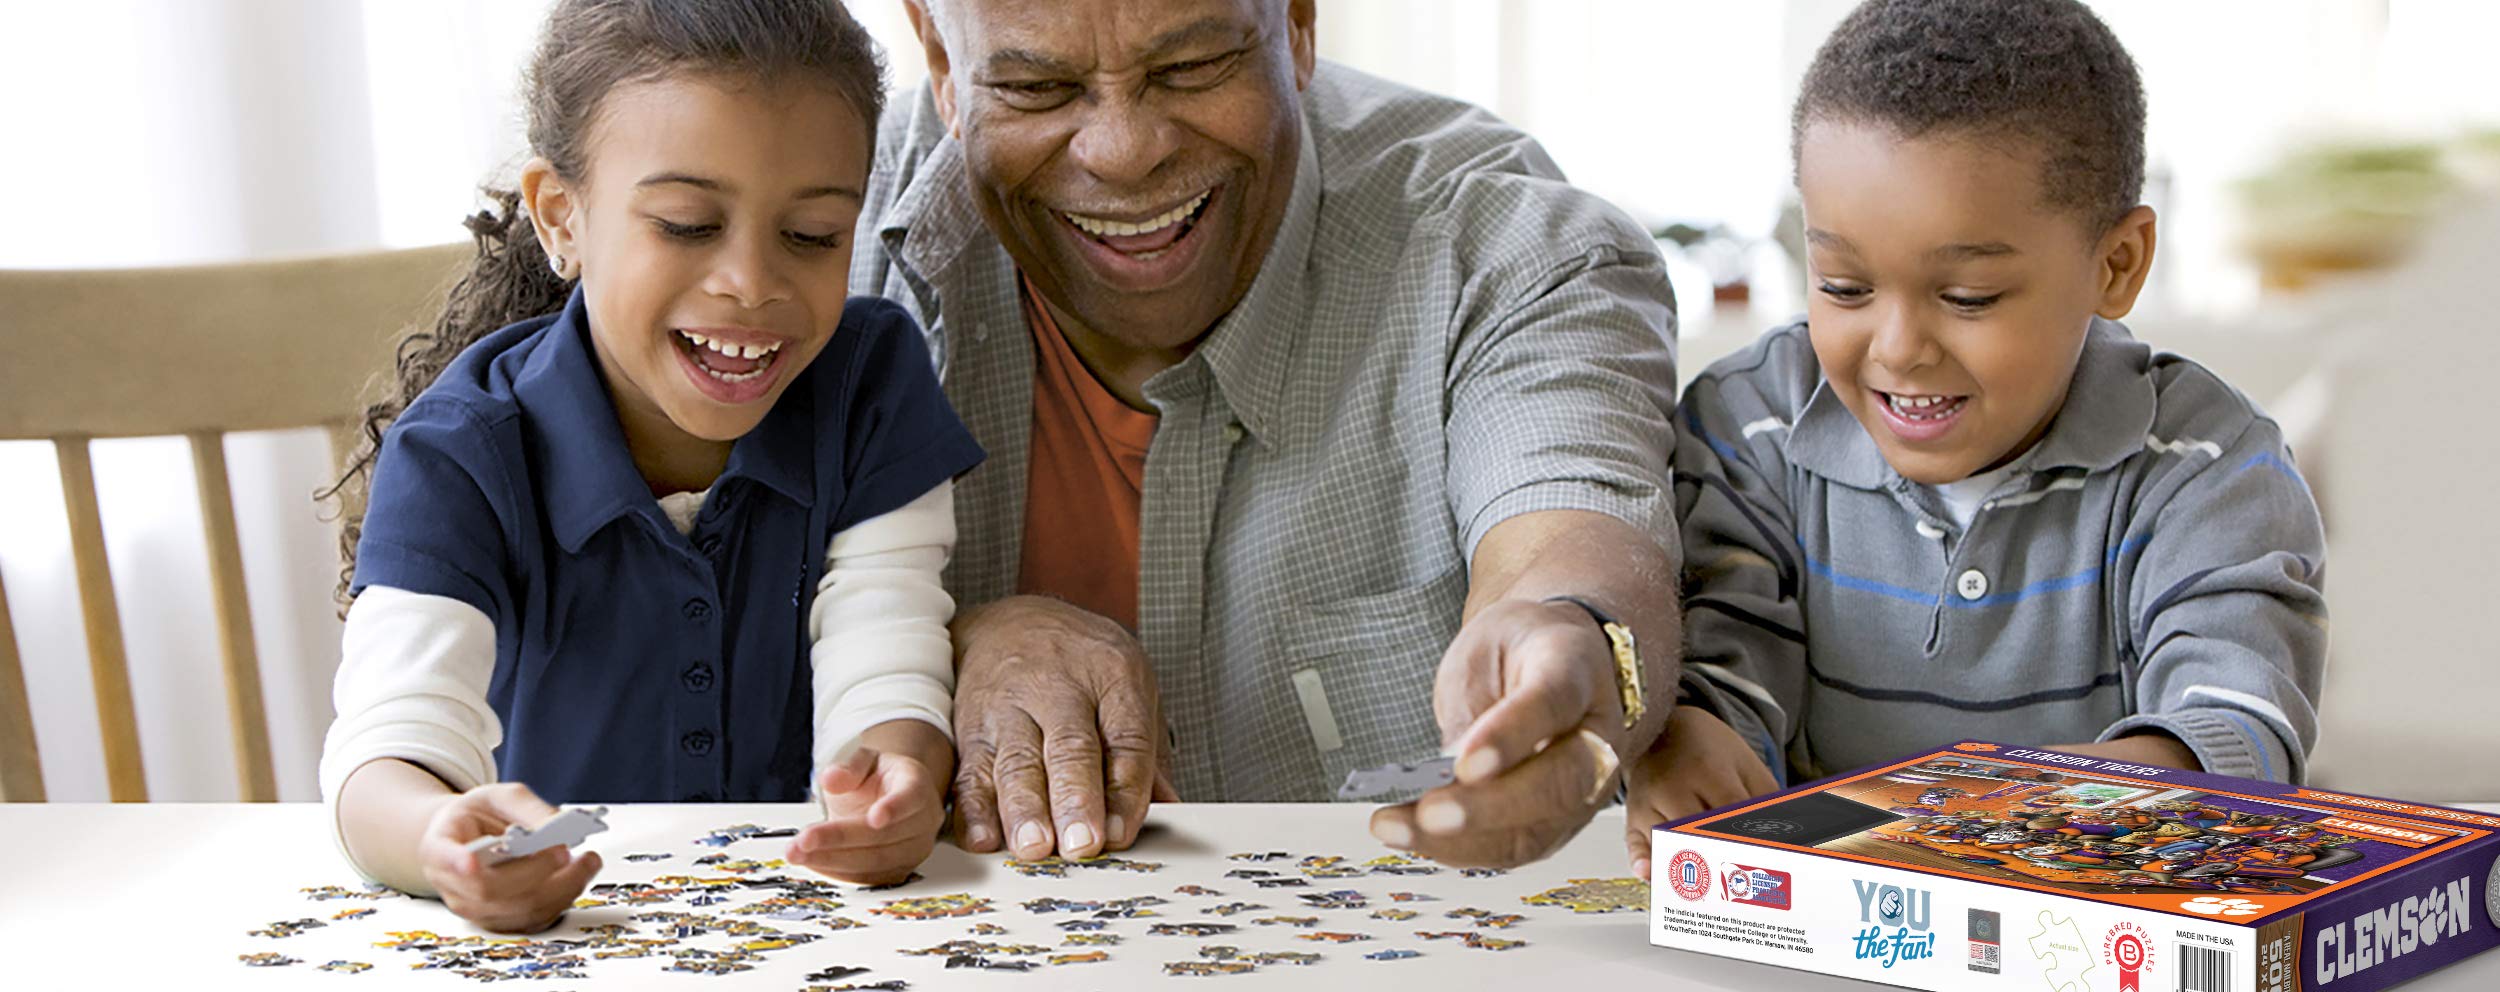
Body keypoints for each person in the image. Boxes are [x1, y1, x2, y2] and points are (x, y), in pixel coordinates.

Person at [857, 0, 1683, 869]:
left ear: (1296, 23)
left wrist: (1576, 642)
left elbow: (1569, 535)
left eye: (1191, 67)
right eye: (1035, 86)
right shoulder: (798, 225)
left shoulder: (1502, 244)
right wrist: (937, 642)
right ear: (941, 61)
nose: (1124, 151)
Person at [316, 0, 983, 932]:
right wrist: (438, 836)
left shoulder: (871, 385)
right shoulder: (460, 452)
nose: (751, 281)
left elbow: (886, 648)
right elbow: (386, 751)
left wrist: (895, 777)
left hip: (813, 929)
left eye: (813, 235)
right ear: (561, 217)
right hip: (565, 940)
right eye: (684, 223)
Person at [1626, 0, 2328, 878]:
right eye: (1844, 286)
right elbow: (1728, 648)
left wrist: (2107, 795)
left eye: (1967, 298)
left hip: (2087, 917)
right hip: (1812, 929)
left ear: (2116, 265)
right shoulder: (1749, 424)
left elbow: (2233, 710)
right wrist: (1690, 733)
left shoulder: (2208, 465)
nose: (1897, 348)